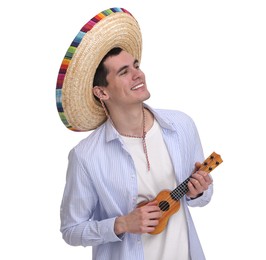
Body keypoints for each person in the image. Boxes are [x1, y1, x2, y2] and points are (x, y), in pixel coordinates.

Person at [57, 7, 213, 260]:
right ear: (102, 93)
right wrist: (121, 225)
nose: (138, 74)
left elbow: (200, 200)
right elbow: (71, 230)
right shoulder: (86, 156)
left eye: (136, 65)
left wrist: (199, 191)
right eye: (123, 72)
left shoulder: (181, 126)